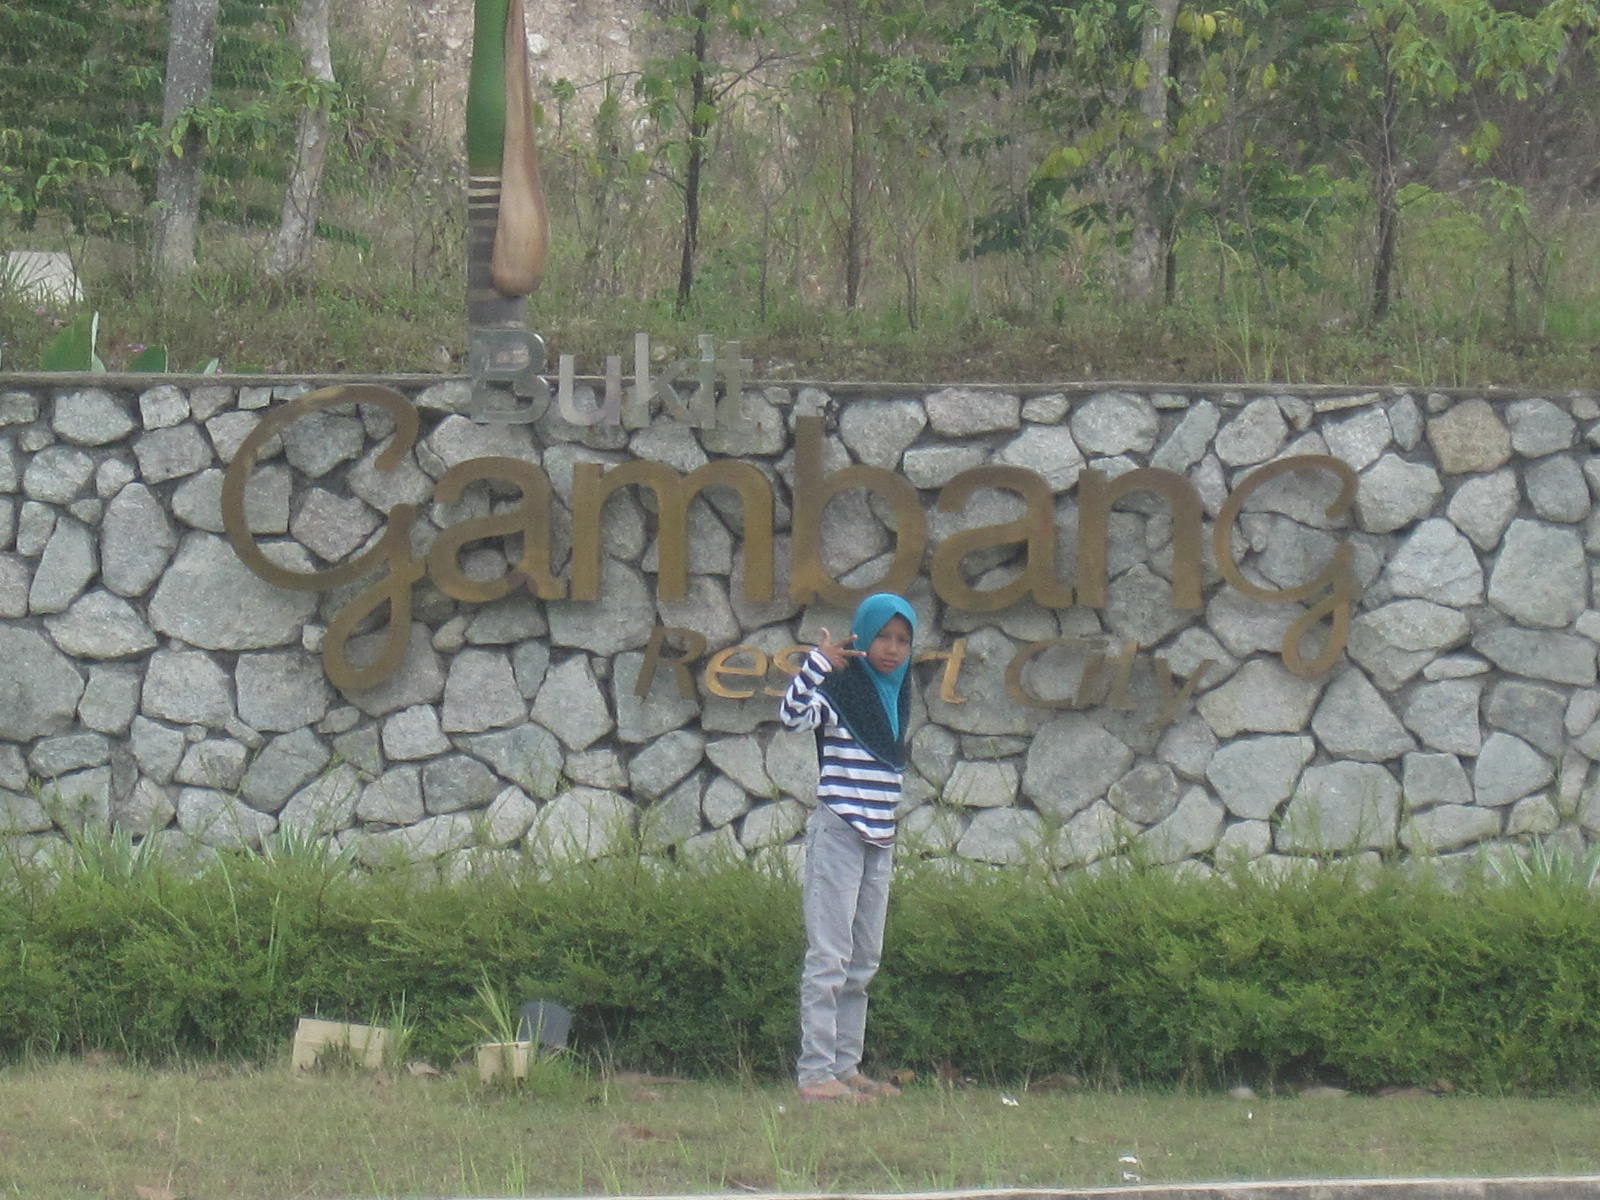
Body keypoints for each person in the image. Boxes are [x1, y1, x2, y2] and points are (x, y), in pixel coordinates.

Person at [779, 592, 916, 1103]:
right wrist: (817, 665)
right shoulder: (838, 692)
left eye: (902, 640)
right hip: (840, 831)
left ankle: (845, 1067)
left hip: (880, 838)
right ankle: (816, 1074)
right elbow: (791, 716)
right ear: (863, 636)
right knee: (830, 957)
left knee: (863, 960)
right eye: (883, 636)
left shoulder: (898, 695)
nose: (892, 649)